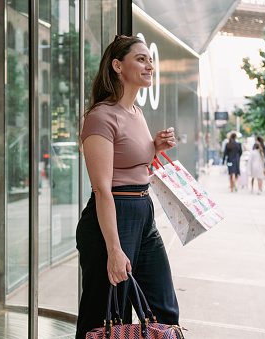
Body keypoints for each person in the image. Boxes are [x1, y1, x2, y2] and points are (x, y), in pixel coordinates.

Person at [75, 35, 179, 338]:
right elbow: (102, 189)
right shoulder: (100, 117)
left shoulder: (136, 113)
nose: (150, 65)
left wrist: (154, 147)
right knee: (106, 316)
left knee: (163, 309)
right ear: (118, 65)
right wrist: (114, 250)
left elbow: (132, 162)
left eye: (150, 59)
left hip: (143, 213)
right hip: (113, 217)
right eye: (141, 59)